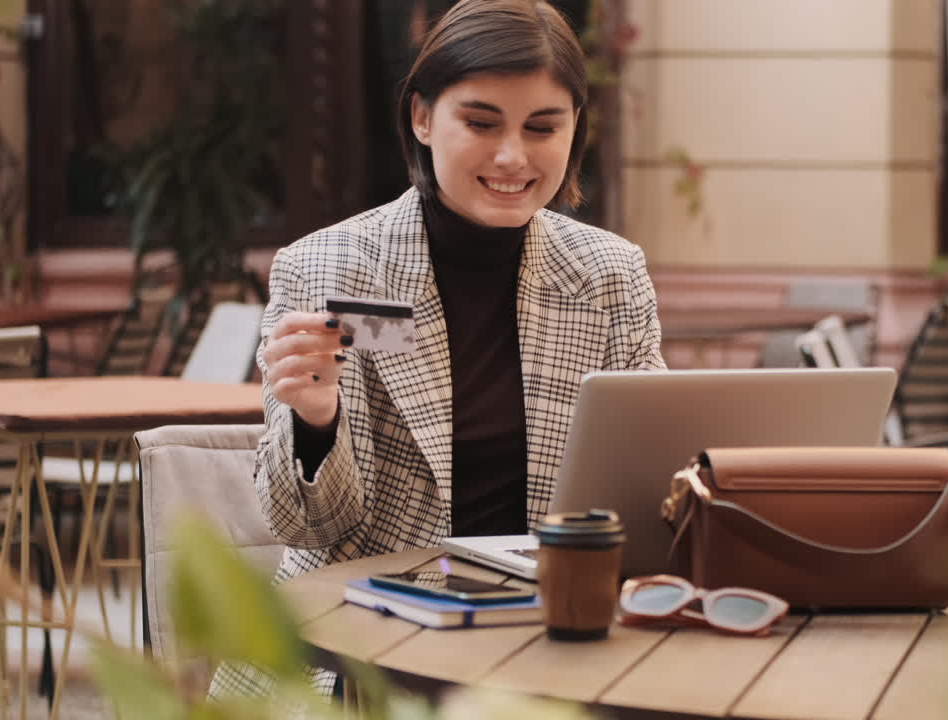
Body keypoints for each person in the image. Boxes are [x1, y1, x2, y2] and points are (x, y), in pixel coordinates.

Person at [209, 0, 664, 699]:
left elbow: (647, 487)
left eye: (543, 127)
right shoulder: (326, 267)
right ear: (422, 118)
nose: (513, 155)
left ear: (576, 131)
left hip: (554, 642)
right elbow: (309, 525)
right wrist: (315, 420)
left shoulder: (609, 276)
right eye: (481, 123)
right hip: (367, 646)